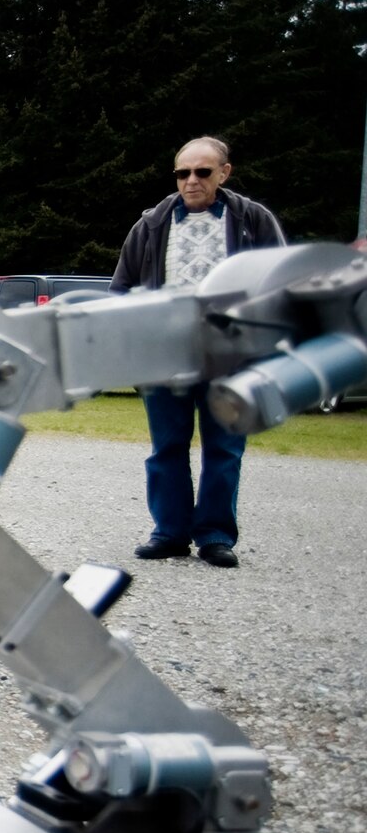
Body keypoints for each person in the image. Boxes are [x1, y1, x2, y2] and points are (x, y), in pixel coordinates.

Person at [113, 137, 285, 569]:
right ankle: (169, 533)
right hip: (165, 358)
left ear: (224, 173)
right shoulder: (150, 225)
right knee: (166, 448)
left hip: (230, 358)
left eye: (202, 172)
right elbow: (121, 290)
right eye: (182, 173)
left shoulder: (253, 221)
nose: (191, 181)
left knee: (224, 450)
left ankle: (214, 536)